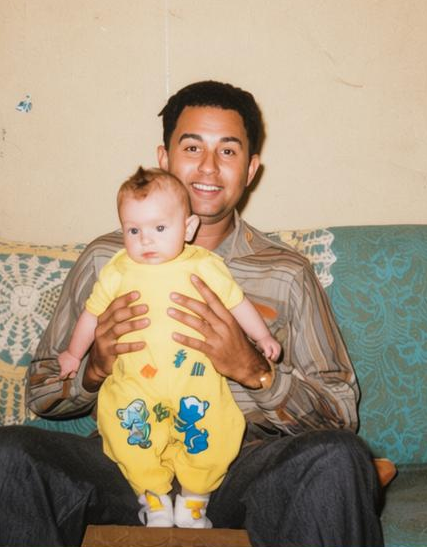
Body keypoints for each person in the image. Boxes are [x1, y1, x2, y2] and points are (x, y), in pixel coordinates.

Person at [0, 80, 384, 547]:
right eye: (192, 147)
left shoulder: (286, 272)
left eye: (228, 151)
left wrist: (256, 371)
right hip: (128, 462)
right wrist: (94, 368)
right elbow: (42, 391)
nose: (208, 167)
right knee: (2, 455)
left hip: (242, 469)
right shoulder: (107, 261)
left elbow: (340, 414)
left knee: (337, 457)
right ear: (164, 158)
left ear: (250, 169)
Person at [56, 166, 281, 528]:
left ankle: (195, 500)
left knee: (213, 433)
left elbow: (237, 304)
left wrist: (263, 337)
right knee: (129, 437)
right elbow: (91, 315)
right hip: (135, 386)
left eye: (159, 228)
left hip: (194, 383)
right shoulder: (117, 269)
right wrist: (73, 353)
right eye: (134, 230)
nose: (146, 240)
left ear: (188, 228)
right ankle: (153, 499)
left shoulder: (203, 265)